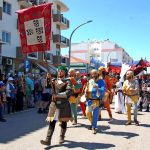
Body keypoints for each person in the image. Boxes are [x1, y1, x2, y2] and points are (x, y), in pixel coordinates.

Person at [40, 66, 73, 146]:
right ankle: (48, 140)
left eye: (61, 71)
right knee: (52, 122)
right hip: (54, 104)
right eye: (59, 71)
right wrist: (48, 79)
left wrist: (57, 95)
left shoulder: (68, 81)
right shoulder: (54, 80)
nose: (59, 72)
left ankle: (62, 137)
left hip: (63, 104)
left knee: (63, 121)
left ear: (65, 72)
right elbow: (47, 86)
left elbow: (68, 92)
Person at [85, 69, 105, 134]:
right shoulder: (90, 81)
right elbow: (87, 87)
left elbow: (103, 90)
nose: (93, 75)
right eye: (92, 74)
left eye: (94, 74)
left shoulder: (101, 81)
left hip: (96, 100)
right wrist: (85, 91)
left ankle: (94, 127)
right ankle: (92, 123)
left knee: (95, 115)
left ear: (97, 74)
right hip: (90, 99)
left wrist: (97, 88)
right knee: (87, 113)